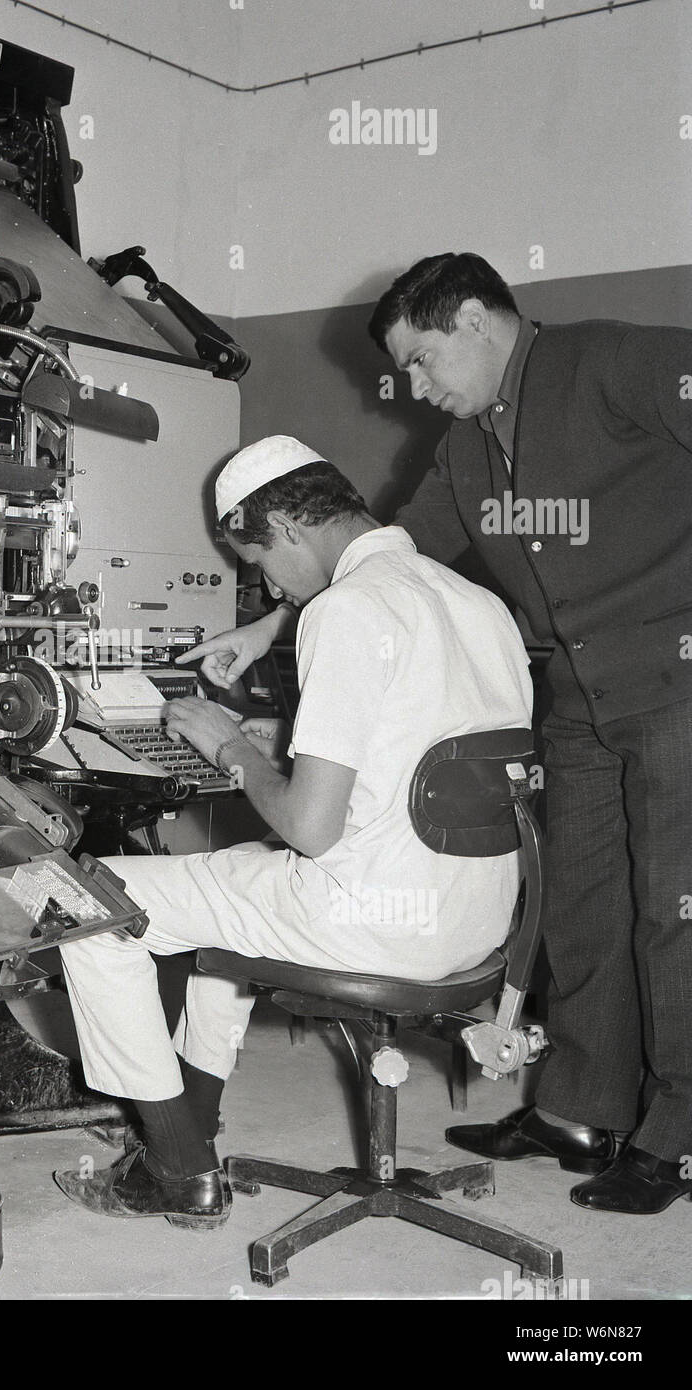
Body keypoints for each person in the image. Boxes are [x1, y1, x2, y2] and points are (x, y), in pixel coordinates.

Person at [191, 253, 692, 1215]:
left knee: (673, 915)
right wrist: (267, 623)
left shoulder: (613, 362)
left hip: (673, 679)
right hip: (576, 696)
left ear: (472, 321)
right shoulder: (466, 450)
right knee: (583, 909)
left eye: (421, 362)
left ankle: (676, 1138)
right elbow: (387, 553)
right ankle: (582, 1108)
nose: (414, 387)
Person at [54, 434, 531, 1228]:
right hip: (479, 920)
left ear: (285, 527)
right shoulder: (475, 602)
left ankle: (176, 1167)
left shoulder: (347, 611)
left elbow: (311, 828)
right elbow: (416, 757)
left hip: (374, 925)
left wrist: (229, 746)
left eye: (261, 564)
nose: (268, 585)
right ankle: (196, 1121)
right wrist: (279, 748)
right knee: (229, 880)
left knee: (88, 899)